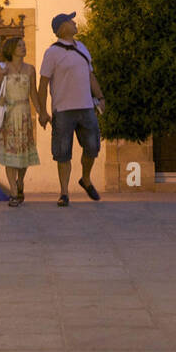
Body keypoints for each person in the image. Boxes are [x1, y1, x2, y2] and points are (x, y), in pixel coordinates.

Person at [38, 11, 105, 206]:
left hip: (86, 108)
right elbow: (43, 84)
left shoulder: (82, 48)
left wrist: (100, 97)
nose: (75, 23)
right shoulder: (52, 53)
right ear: (62, 27)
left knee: (92, 147)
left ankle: (85, 179)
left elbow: (91, 76)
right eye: (70, 20)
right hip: (63, 110)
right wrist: (42, 111)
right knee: (63, 153)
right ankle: (64, 193)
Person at [0, 37, 47, 206]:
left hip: (24, 116)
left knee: (23, 156)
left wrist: (41, 112)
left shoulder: (30, 70)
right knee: (10, 156)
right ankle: (13, 191)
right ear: (11, 49)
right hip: (8, 115)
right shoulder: (2, 68)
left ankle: (20, 181)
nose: (23, 47)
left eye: (24, 44)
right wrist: (0, 77)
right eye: (19, 45)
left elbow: (33, 94)